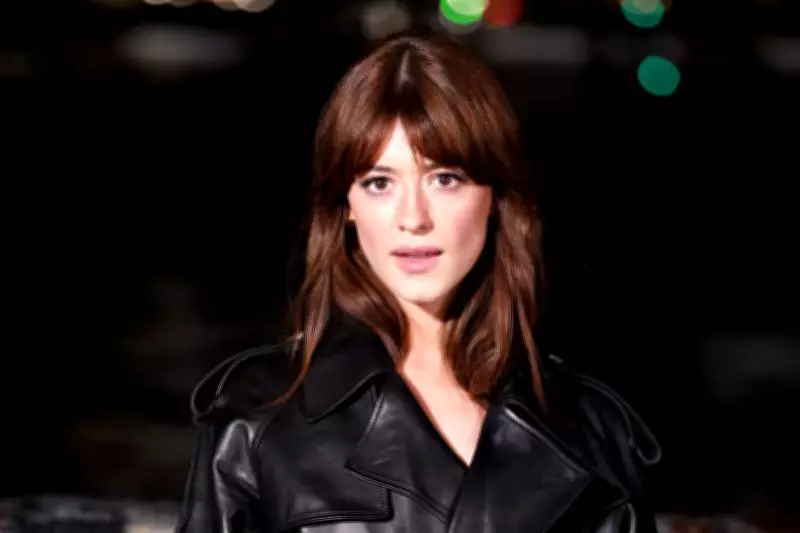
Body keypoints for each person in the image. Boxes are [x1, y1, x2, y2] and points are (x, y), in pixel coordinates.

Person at [175, 31, 662, 533]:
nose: (413, 218)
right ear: (346, 207)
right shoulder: (259, 418)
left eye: (444, 179)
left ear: (495, 198)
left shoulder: (590, 429)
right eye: (379, 183)